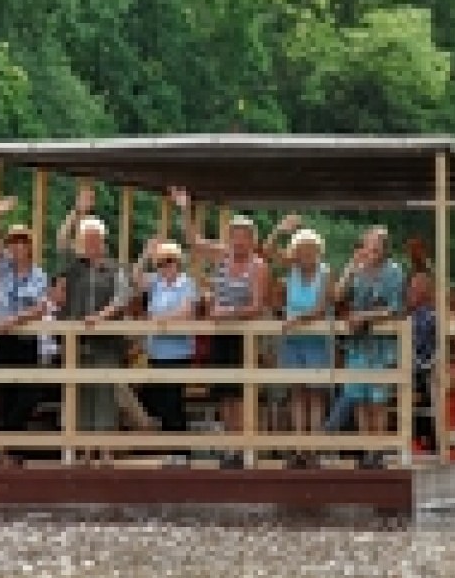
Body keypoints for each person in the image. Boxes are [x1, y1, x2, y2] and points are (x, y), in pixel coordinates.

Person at [172, 187, 268, 468]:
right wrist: (184, 208)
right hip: (220, 334)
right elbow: (193, 241)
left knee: (239, 394)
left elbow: (258, 307)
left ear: (252, 239)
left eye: (243, 236)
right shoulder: (222, 256)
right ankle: (229, 447)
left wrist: (230, 312)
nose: (238, 241)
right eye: (234, 236)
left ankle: (241, 448)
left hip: (243, 335)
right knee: (223, 393)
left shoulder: (258, 266)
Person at [56, 184, 134, 464]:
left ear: (102, 241)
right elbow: (61, 239)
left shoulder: (116, 268)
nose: (89, 244)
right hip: (76, 343)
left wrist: (100, 317)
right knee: (81, 396)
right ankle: (84, 453)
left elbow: (123, 297)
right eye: (85, 239)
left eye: (93, 239)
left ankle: (105, 452)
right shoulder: (74, 266)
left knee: (105, 395)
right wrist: (78, 212)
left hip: (107, 343)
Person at [325, 227, 404, 469]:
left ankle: (377, 451)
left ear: (384, 247)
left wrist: (365, 316)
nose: (371, 249)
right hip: (357, 345)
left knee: (377, 401)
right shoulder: (356, 271)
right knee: (358, 398)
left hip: (380, 345)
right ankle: (366, 449)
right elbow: (336, 296)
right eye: (368, 244)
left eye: (376, 244)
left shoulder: (393, 271)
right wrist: (349, 268)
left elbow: (394, 308)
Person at [263, 218, 333, 467]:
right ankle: (298, 449)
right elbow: (267, 251)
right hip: (292, 340)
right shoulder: (292, 269)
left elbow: (322, 307)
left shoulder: (325, 272)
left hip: (314, 339)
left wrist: (297, 319)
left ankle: (314, 449)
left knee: (315, 395)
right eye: (301, 248)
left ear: (317, 251)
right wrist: (278, 230)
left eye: (310, 248)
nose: (306, 253)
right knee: (296, 393)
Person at [0, 224, 48, 463]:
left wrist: (15, 319)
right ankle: (2, 449)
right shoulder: (1, 269)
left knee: (28, 393)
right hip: (3, 340)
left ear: (29, 247)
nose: (17, 247)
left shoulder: (38, 275)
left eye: (22, 242)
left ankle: (12, 445)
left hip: (26, 340)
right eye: (13, 242)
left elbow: (40, 308)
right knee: (2, 393)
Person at [132, 239, 197, 443]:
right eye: (160, 263)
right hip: (156, 352)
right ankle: (167, 448)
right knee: (159, 402)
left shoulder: (186, 283)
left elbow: (187, 311)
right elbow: (134, 278)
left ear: (178, 262)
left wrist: (161, 320)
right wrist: (145, 254)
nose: (165, 266)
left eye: (169, 261)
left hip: (178, 353)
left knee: (173, 402)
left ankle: (180, 451)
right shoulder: (156, 282)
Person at [408, 272, 437, 452]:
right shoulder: (414, 315)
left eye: (413, 289)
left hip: (422, 370)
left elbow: (420, 346)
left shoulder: (429, 316)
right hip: (415, 368)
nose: (409, 293)